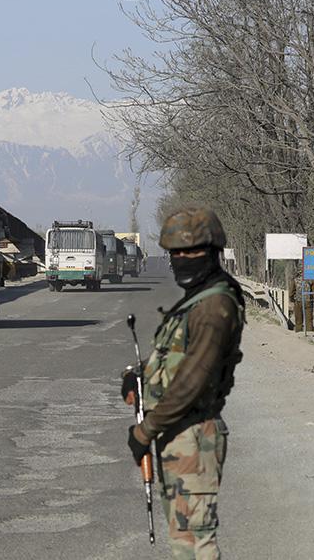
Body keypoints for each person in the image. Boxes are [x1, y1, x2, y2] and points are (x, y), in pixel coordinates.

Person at [122, 207, 245, 559]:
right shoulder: (195, 303)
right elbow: (174, 358)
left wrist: (145, 432)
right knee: (183, 541)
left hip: (194, 434)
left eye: (192, 252)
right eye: (176, 253)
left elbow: (193, 380)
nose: (183, 259)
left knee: (195, 544)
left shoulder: (215, 304)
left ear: (212, 253)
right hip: (177, 434)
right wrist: (138, 376)